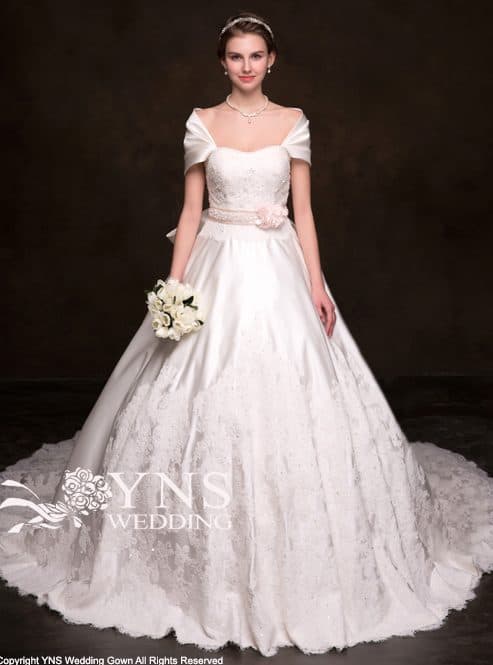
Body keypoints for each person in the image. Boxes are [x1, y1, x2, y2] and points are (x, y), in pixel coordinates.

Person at [1, 11, 492, 658]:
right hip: (217, 263)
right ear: (222, 62)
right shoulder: (201, 122)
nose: (246, 66)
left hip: (278, 266)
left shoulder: (294, 121)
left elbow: (304, 212)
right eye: (235, 56)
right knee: (191, 392)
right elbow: (190, 210)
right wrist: (175, 288)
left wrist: (315, 285)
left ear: (271, 59)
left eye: (256, 55)